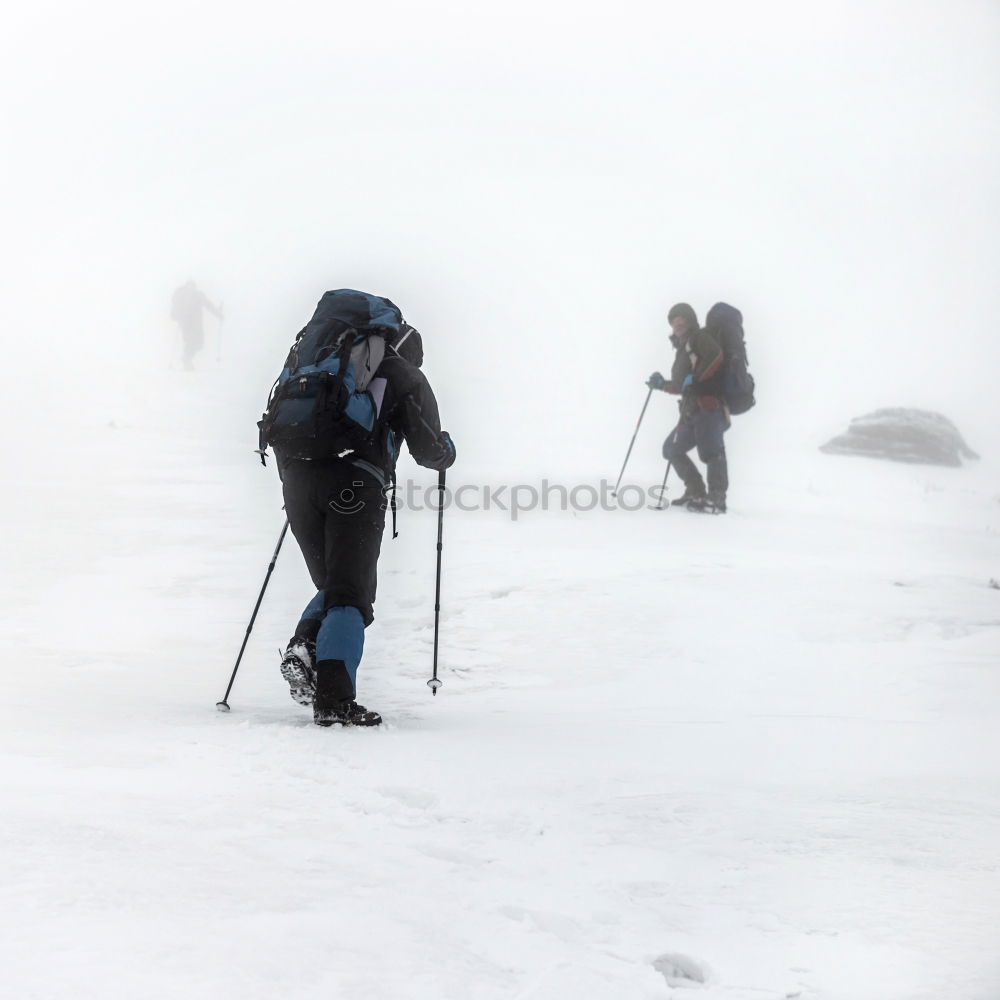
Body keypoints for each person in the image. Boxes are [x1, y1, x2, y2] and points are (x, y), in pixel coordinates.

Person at [275, 315, 456, 727]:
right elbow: (429, 450)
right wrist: (447, 452)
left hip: (296, 481)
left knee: (335, 585)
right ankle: (334, 700)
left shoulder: (322, 363)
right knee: (350, 595)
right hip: (355, 486)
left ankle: (304, 647)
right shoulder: (404, 374)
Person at [647, 302, 729, 513]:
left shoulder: (699, 338)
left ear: (690, 320)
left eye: (681, 317)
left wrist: (697, 378)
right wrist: (662, 385)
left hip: (709, 407)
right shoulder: (683, 348)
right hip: (691, 410)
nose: (677, 322)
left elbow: (716, 356)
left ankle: (717, 500)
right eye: (673, 320)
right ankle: (695, 490)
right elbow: (684, 385)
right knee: (671, 449)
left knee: (712, 452)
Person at [170, 280, 223, 370]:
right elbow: (208, 305)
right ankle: (186, 360)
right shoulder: (193, 295)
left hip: (190, 323)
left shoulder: (195, 295)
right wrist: (218, 314)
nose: (190, 289)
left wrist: (218, 314)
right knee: (193, 342)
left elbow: (208, 305)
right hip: (189, 323)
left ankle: (186, 359)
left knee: (196, 343)